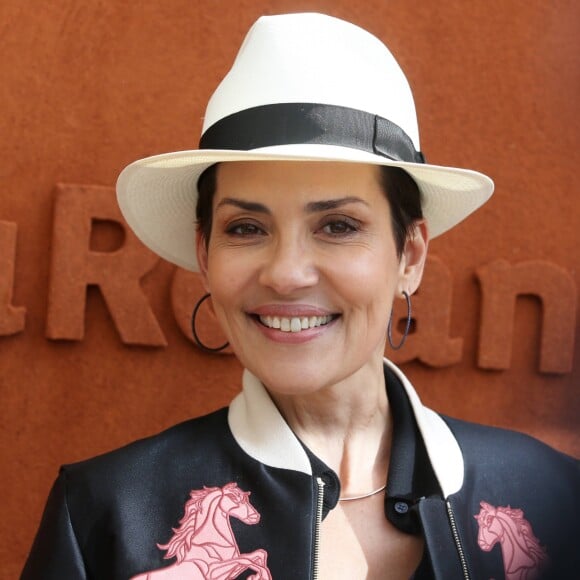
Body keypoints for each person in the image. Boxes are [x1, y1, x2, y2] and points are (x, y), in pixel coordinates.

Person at [22, 12, 578, 580]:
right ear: (206, 254)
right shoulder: (106, 516)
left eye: (337, 225)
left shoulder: (557, 500)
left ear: (409, 254)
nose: (286, 275)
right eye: (245, 228)